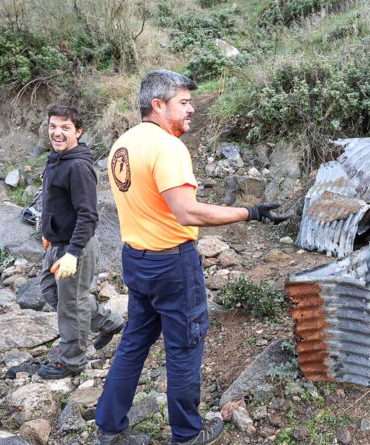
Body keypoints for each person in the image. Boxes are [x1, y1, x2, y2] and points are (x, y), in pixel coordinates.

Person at [94, 70, 288, 445]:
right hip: (171, 263)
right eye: (183, 102)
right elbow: (187, 211)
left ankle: (109, 425)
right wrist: (251, 212)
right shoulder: (167, 148)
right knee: (184, 345)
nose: (191, 109)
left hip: (135, 259)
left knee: (135, 339)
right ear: (158, 105)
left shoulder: (123, 143)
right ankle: (187, 434)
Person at [37, 106, 126, 380]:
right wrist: (47, 231)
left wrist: (73, 254)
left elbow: (88, 214)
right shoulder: (57, 159)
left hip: (77, 246)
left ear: (78, 131)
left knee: (71, 304)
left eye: (65, 128)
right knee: (51, 292)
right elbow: (55, 202)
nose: (57, 132)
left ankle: (72, 361)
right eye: (53, 126)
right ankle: (109, 323)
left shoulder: (77, 166)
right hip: (57, 244)